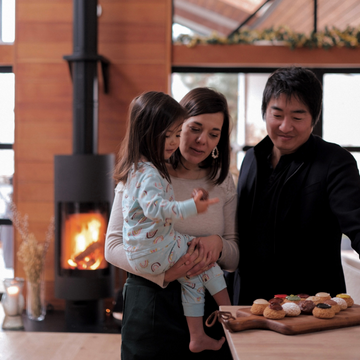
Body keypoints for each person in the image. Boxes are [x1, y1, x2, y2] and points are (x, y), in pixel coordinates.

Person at [105, 87, 238, 360]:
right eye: (194, 128)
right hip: (151, 304)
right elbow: (113, 245)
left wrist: (219, 245)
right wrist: (162, 274)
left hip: (207, 308)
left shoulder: (223, 182)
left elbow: (234, 257)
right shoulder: (144, 173)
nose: (202, 141)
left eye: (214, 134)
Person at [230, 66, 360, 306]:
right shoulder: (252, 158)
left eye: (297, 117)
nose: (285, 126)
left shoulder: (335, 162)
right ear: (265, 112)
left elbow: (357, 223)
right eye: (277, 115)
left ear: (314, 117)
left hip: (309, 307)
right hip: (250, 303)